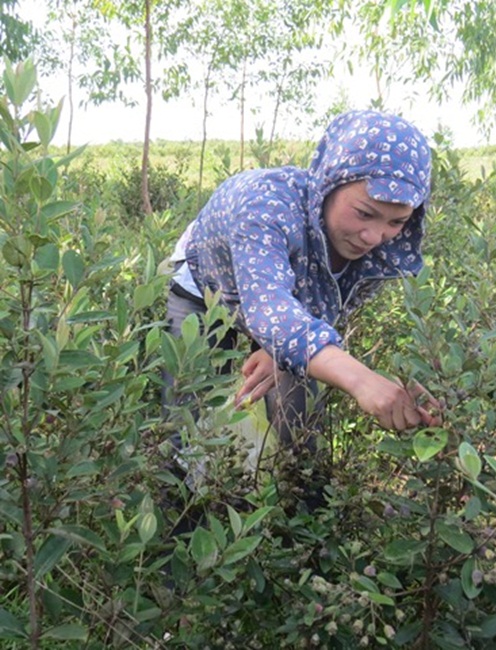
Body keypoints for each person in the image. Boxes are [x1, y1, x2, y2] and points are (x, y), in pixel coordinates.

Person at [165, 109, 441, 457]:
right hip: (208, 283)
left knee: (299, 412)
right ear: (330, 183)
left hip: (283, 303)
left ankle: (300, 496)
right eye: (364, 213)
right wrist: (360, 379)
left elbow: (330, 306)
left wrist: (280, 350)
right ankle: (181, 503)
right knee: (187, 409)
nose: (374, 236)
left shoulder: (383, 244)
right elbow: (269, 308)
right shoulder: (264, 207)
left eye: (396, 221)